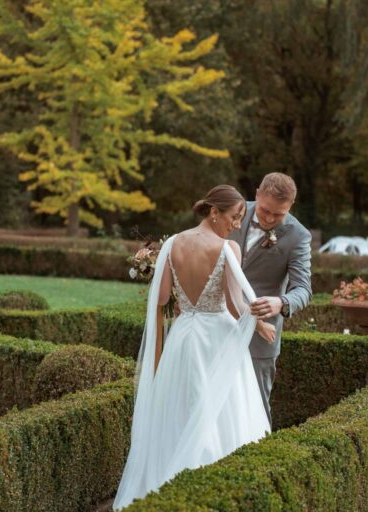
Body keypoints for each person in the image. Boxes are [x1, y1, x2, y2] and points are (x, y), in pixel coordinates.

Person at [112, 185, 273, 510]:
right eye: (234, 216)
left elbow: (160, 302)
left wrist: (182, 305)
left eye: (241, 218)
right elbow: (235, 302)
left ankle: (170, 490)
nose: (237, 225)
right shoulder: (228, 248)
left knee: (181, 408)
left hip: (183, 338)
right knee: (221, 412)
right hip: (217, 337)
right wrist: (259, 322)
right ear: (214, 212)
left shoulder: (172, 244)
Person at [230, 172, 313, 425]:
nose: (268, 219)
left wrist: (282, 302)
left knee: (255, 408)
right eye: (265, 210)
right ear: (257, 194)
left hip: (260, 335)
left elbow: (303, 289)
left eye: (278, 215)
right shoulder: (231, 212)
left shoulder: (298, 236)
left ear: (290, 207)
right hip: (218, 322)